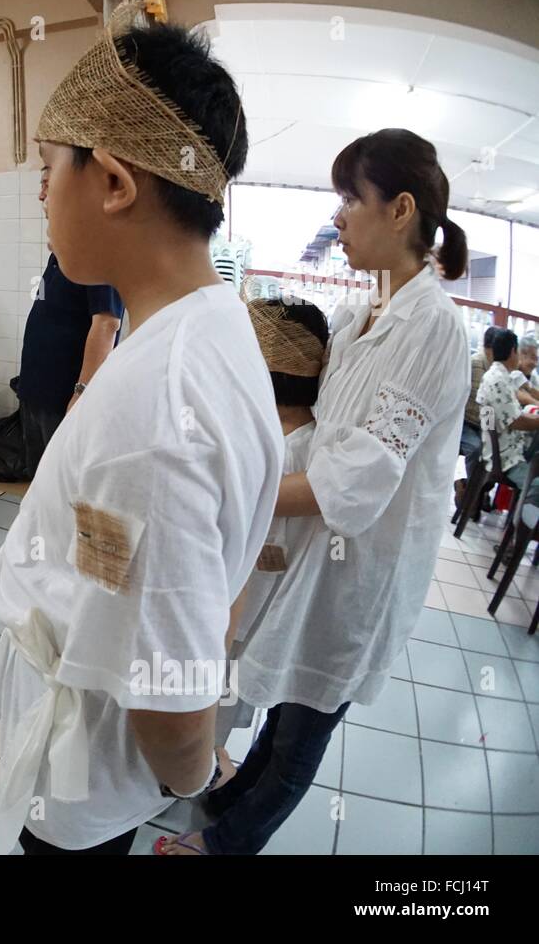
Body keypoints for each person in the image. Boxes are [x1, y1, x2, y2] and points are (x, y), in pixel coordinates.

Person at [0, 4, 278, 857]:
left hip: (89, 776)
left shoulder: (158, 407)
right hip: (92, 738)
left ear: (112, 182)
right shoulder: (209, 324)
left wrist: (187, 777)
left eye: (49, 168)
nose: (41, 192)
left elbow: (171, 693)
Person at [162, 128, 471, 856]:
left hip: (365, 567)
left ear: (399, 210)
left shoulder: (433, 328)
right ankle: (228, 799)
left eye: (348, 199)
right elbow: (316, 427)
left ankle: (227, 844)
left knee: (306, 725)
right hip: (320, 558)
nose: (337, 218)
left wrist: (232, 489)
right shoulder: (356, 315)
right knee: (290, 701)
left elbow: (353, 486)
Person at [214, 297, 329, 747]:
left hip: (239, 607)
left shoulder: (285, 451)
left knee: (210, 700)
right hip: (249, 611)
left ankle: (187, 774)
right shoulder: (305, 440)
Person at [17, 165, 124, 476]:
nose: (41, 195)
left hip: (64, 398)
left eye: (47, 184)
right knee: (39, 486)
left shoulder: (97, 248)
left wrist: (81, 393)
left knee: (63, 491)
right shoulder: (63, 251)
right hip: (38, 393)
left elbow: (107, 324)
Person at [476, 329, 539, 503]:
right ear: (513, 351)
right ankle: (522, 527)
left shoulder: (503, 375)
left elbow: (529, 394)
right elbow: (518, 422)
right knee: (536, 486)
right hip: (508, 458)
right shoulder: (498, 380)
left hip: (509, 449)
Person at [457, 324, 502, 511]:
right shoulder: (476, 364)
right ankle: (472, 497)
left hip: (482, 425)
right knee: (477, 449)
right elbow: (474, 405)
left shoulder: (497, 370)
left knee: (499, 457)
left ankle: (469, 489)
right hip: (465, 423)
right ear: (489, 348)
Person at [512, 334, 539, 406]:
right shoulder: (513, 373)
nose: (535, 364)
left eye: (537, 359)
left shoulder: (533, 375)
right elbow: (522, 397)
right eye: (533, 358)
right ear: (521, 354)